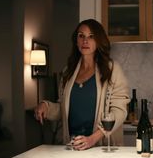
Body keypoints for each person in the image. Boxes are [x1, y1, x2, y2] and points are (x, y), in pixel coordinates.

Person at [34, 19, 130, 150]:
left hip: (102, 147)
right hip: (73, 146)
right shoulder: (68, 71)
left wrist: (93, 138)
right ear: (76, 40)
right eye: (81, 36)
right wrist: (46, 107)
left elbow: (119, 111)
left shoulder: (112, 69)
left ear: (98, 40)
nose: (85, 41)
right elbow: (64, 109)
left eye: (91, 36)